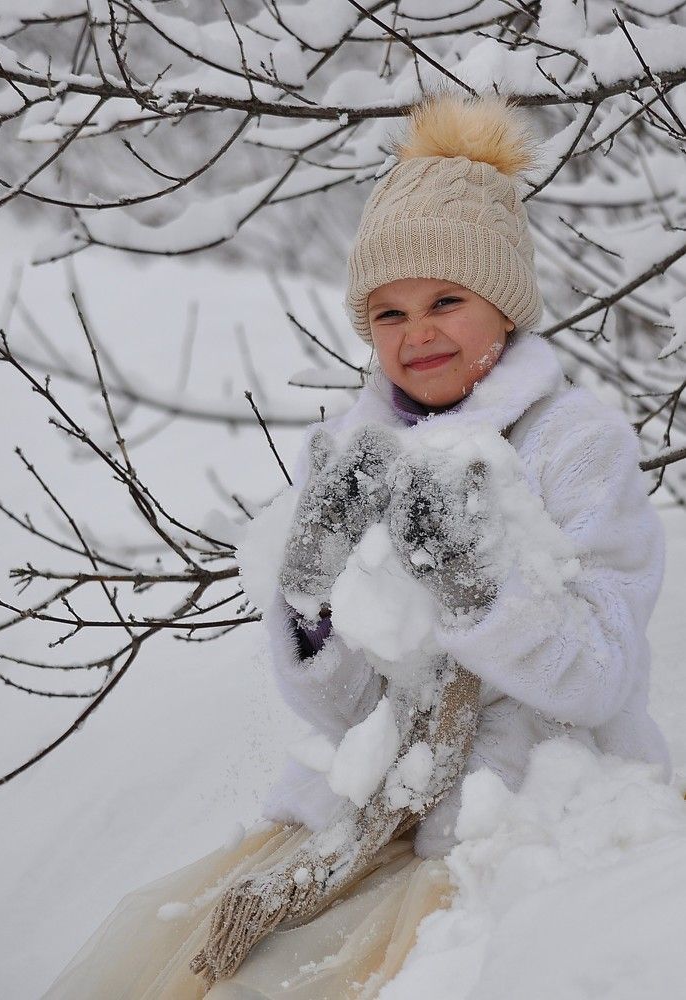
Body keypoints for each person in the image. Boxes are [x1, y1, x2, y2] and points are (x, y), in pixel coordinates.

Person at [39, 91, 669, 1000]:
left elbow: (600, 674)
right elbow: (349, 717)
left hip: (531, 819)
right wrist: (310, 606)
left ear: (504, 305)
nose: (417, 336)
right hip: (367, 818)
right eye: (388, 313)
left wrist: (472, 584)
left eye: (446, 300)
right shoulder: (355, 458)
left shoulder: (577, 445)